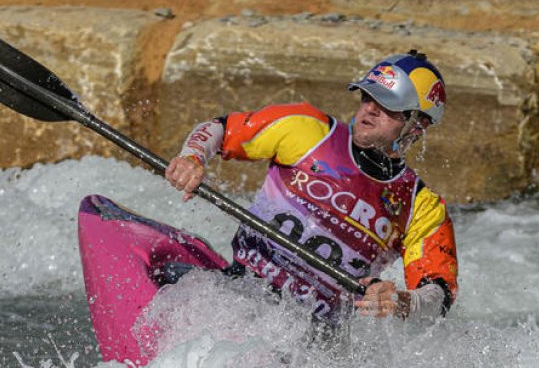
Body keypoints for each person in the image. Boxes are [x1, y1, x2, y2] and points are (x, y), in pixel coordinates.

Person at [162, 50, 458, 328]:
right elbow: (221, 128)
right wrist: (192, 157)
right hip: (239, 288)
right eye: (368, 97)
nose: (369, 109)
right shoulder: (307, 129)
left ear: (417, 125)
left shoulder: (423, 208)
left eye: (387, 106)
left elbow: (440, 295)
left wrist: (404, 301)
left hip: (314, 337)